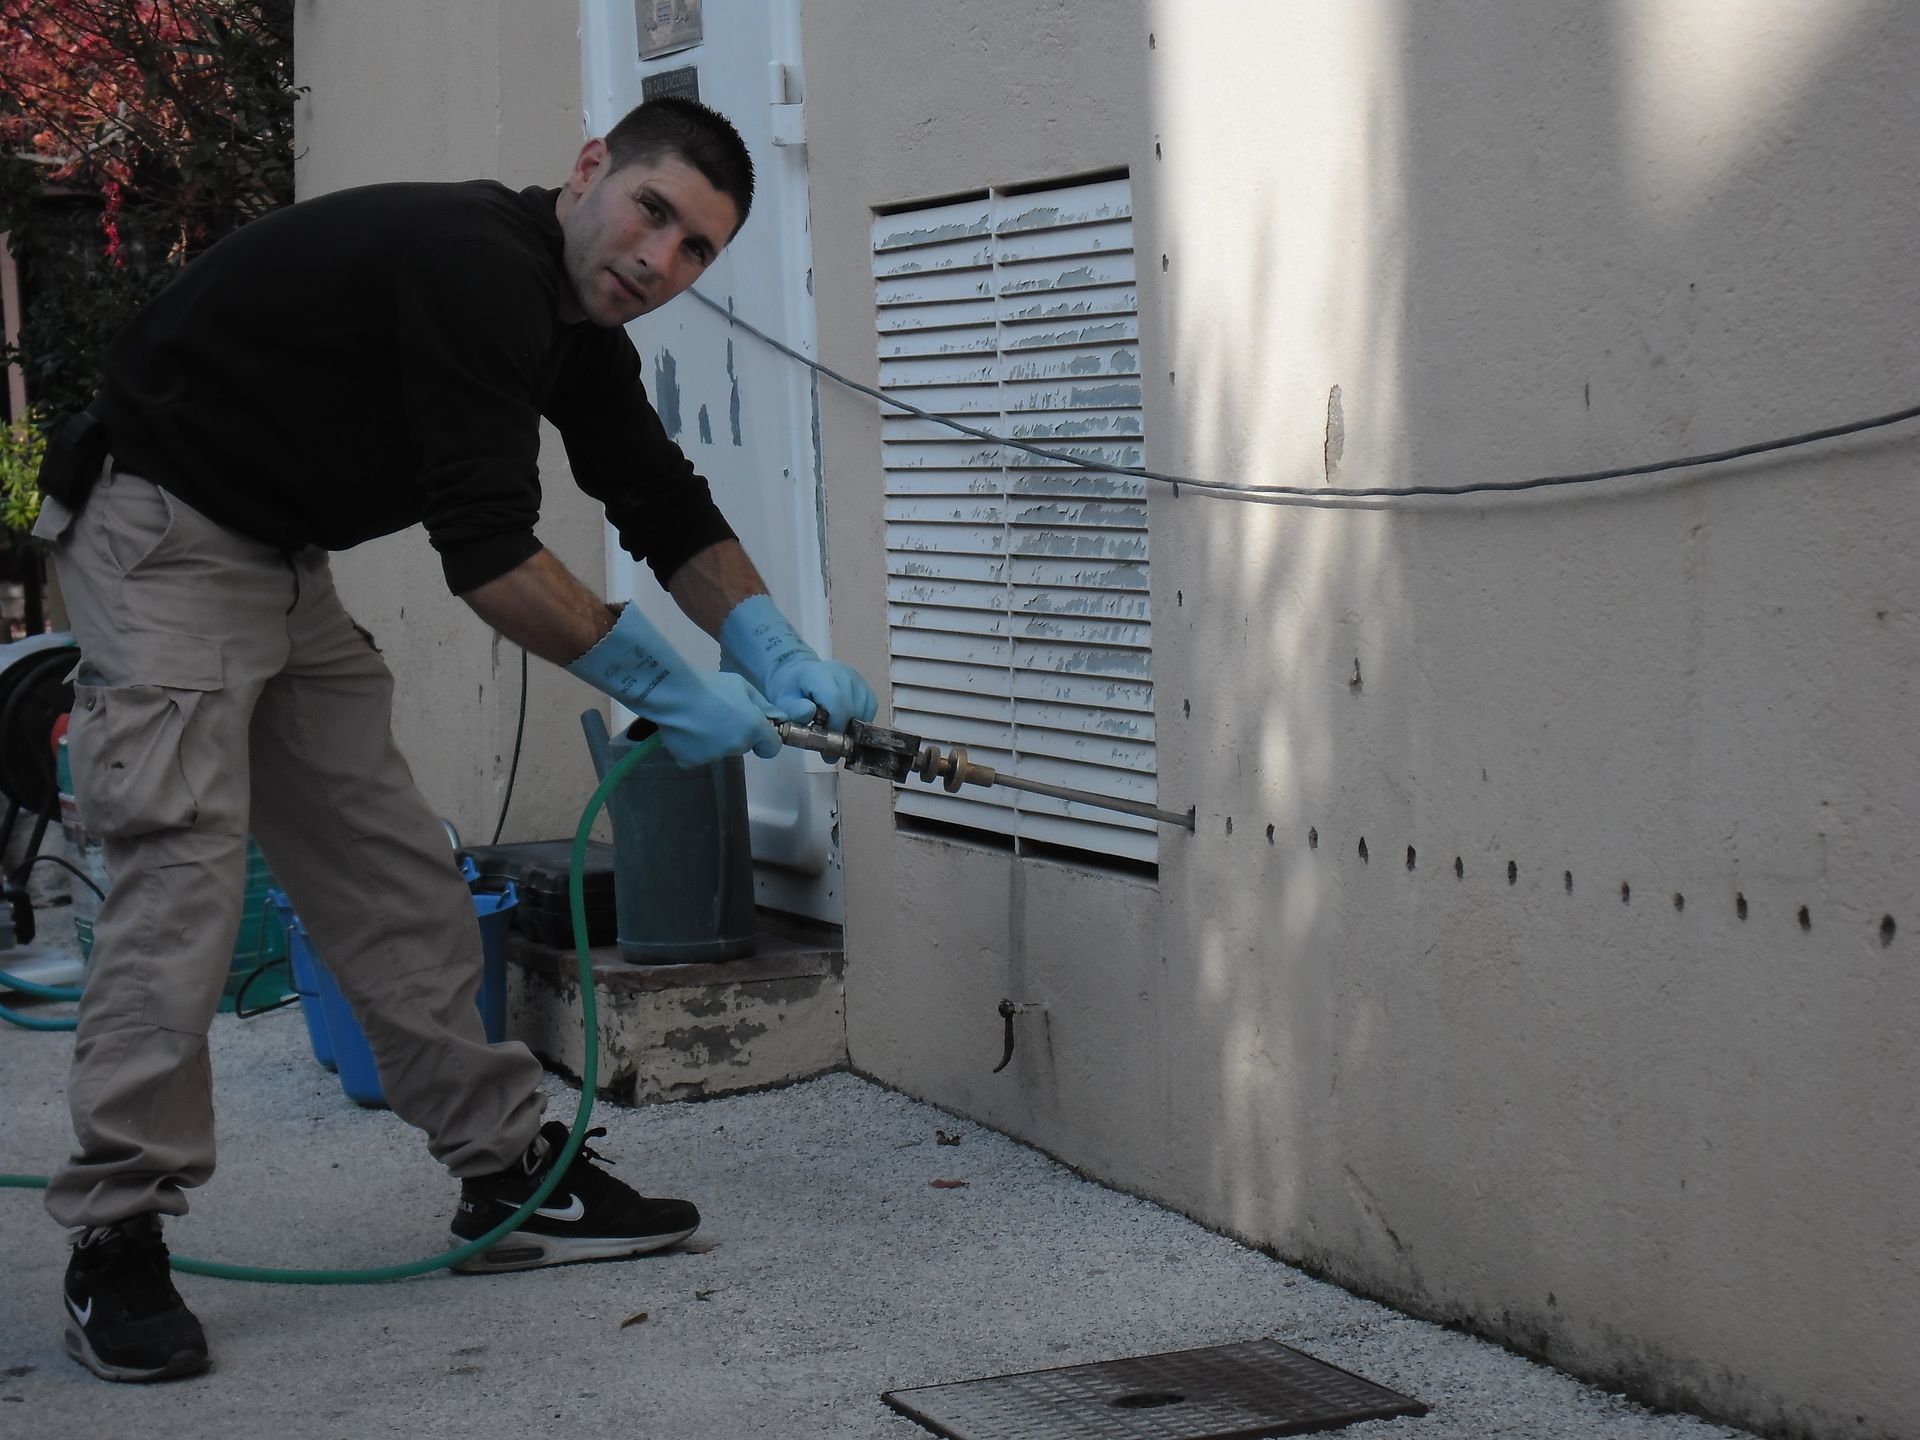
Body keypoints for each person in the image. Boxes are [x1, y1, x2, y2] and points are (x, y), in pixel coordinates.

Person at [34, 96, 875, 1383]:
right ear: (589, 167)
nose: (661, 263)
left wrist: (767, 640)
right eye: (655, 213)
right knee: (181, 879)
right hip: (161, 531)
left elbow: (654, 493)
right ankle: (119, 1239)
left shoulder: (571, 326)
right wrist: (663, 682)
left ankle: (506, 1180)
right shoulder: (480, 267)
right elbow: (486, 556)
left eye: (697, 250)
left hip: (275, 555)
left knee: (393, 872)